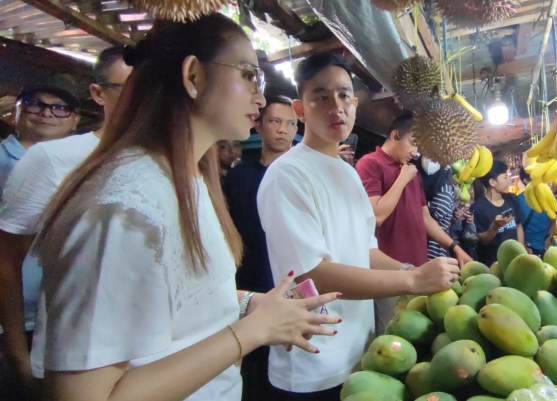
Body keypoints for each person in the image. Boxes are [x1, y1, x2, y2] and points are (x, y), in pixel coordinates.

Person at [26, 14, 340, 401]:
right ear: (193, 75)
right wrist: (253, 331)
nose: (259, 98)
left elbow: (180, 305)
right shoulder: (122, 206)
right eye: (249, 76)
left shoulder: (187, 181)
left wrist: (252, 305)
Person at [257, 52, 460, 400]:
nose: (336, 106)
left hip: (362, 354)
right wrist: (410, 279)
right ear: (300, 109)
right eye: (321, 96)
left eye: (344, 95)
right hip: (314, 366)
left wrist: (415, 270)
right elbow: (312, 274)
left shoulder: (348, 174)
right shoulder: (287, 175)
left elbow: (365, 251)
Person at [0, 46, 130, 401]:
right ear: (98, 93)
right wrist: (18, 354)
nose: (144, 100)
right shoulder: (53, 159)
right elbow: (8, 260)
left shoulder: (169, 162)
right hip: (68, 362)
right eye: (127, 89)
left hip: (142, 364)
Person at [356, 115, 472, 333]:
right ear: (395, 135)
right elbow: (376, 215)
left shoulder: (412, 173)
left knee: (419, 338)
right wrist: (402, 178)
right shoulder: (370, 164)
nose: (415, 152)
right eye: (413, 143)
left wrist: (454, 247)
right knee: (391, 339)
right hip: (389, 274)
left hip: (418, 270)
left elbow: (425, 218)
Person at [221, 94, 297, 401]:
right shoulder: (238, 178)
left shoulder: (304, 177)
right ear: (260, 126)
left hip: (294, 285)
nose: (283, 130)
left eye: (291, 123)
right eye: (275, 122)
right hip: (249, 286)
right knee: (254, 372)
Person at [0, 85, 80, 198]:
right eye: (34, 104)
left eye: (60, 108)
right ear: (15, 113)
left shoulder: (82, 162)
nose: (46, 113)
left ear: (75, 120)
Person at [470, 160, 524, 266]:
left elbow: (518, 226)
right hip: (493, 265)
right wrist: (494, 227)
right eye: (505, 177)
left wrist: (522, 253)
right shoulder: (477, 208)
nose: (509, 181)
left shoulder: (512, 199)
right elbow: (481, 240)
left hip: (515, 261)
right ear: (492, 182)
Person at [517, 169, 555, 258]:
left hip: (549, 249)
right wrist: (522, 246)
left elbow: (553, 220)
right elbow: (517, 227)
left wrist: (550, 236)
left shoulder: (548, 196)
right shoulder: (518, 201)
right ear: (526, 181)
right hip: (531, 250)